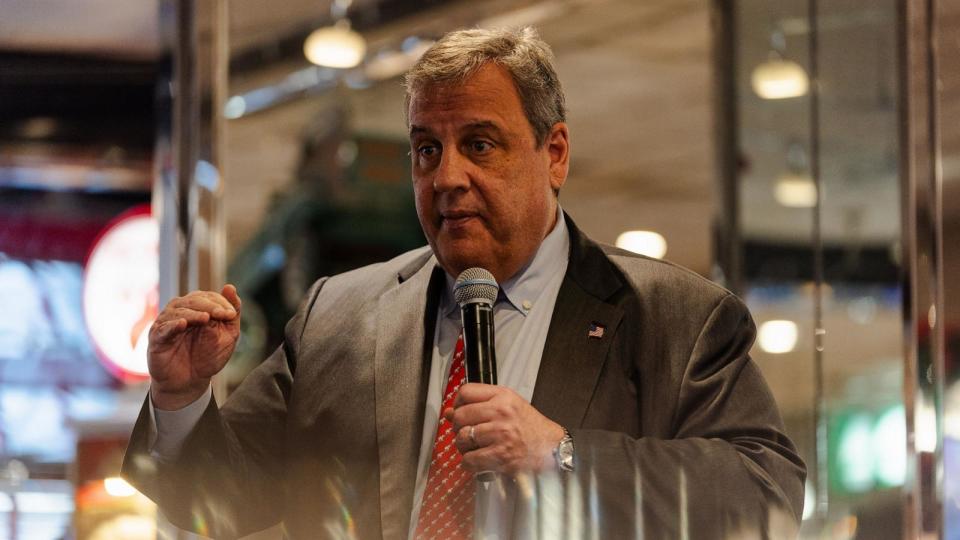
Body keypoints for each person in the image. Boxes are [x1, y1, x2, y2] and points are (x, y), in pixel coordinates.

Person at [123, 26, 805, 539]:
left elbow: (765, 495)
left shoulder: (675, 319)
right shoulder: (340, 316)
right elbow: (216, 498)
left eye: (479, 144)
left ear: (554, 153)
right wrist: (180, 399)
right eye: (427, 149)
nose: (447, 177)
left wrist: (561, 455)